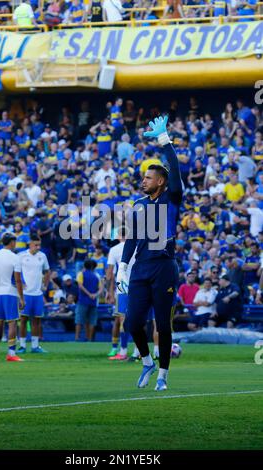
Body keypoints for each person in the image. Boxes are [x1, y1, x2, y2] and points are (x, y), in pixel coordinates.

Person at [117, 115, 183, 391]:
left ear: (161, 182)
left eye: (148, 178)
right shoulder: (139, 203)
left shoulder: (172, 197)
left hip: (164, 266)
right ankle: (146, 361)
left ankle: (163, 376)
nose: (143, 181)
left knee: (162, 325)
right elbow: (132, 237)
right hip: (140, 267)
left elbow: (176, 170)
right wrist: (123, 266)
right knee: (132, 323)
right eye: (143, 177)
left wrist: (165, 141)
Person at [0, 233, 25, 362]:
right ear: (11, 242)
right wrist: (21, 298)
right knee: (12, 322)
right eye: (14, 242)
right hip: (10, 292)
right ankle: (11, 353)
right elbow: (18, 280)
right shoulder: (15, 258)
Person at [18, 235, 50, 354]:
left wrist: (45, 285)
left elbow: (47, 271)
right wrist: (20, 283)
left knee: (36, 321)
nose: (38, 247)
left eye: (39, 245)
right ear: (29, 244)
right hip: (25, 294)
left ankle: (35, 346)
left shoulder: (42, 256)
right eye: (36, 245)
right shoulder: (21, 256)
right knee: (23, 320)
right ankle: (22, 346)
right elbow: (15, 272)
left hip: (38, 294)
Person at [106, 226, 134, 360]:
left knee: (123, 319)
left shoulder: (114, 250)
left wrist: (109, 291)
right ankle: (137, 351)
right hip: (138, 286)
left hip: (122, 287)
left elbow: (109, 273)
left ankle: (122, 352)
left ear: (118, 235)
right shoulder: (137, 247)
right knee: (138, 319)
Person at [75, 259, 103, 341]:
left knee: (79, 320)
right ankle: (89, 339)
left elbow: (80, 286)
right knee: (91, 321)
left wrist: (89, 294)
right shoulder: (97, 276)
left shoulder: (81, 274)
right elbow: (101, 289)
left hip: (82, 301)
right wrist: (94, 295)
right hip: (93, 301)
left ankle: (77, 338)